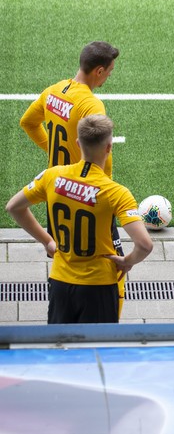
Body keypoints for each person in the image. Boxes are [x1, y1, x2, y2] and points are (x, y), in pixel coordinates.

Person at [5, 115, 153, 324]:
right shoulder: (116, 192)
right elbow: (145, 245)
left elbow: (14, 207)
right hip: (99, 286)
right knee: (96, 351)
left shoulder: (51, 176)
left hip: (60, 283)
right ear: (109, 147)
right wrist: (127, 262)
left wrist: (47, 241)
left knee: (60, 350)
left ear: (77, 143)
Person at [18, 41, 129, 314]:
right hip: (88, 195)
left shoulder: (54, 91)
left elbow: (28, 123)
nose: (111, 75)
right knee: (114, 267)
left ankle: (64, 312)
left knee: (64, 257)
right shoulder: (91, 104)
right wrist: (105, 190)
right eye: (110, 71)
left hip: (57, 193)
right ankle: (106, 325)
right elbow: (105, 153)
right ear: (99, 71)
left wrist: (53, 150)